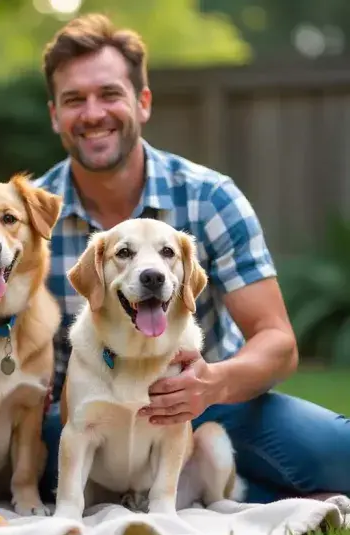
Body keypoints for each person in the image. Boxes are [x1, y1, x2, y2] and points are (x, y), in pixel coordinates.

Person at [33, 13, 350, 505]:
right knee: (23, 453)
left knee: (340, 451)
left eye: (110, 94)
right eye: (75, 99)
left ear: (143, 102)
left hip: (204, 402)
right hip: (80, 410)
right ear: (55, 114)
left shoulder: (209, 197)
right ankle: (256, 492)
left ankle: (225, 484)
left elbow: (278, 340)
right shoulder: (30, 218)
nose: (93, 113)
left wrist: (214, 383)